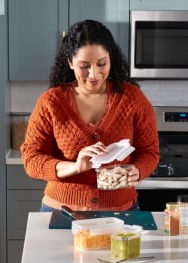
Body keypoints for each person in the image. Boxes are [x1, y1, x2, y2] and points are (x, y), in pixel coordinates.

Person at [20, 20, 159, 212]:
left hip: (121, 212)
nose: (94, 74)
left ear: (111, 58)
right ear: (70, 62)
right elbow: (31, 159)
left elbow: (150, 152)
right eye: (84, 66)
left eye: (101, 64)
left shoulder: (132, 98)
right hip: (62, 212)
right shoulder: (50, 102)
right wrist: (75, 167)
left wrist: (138, 170)